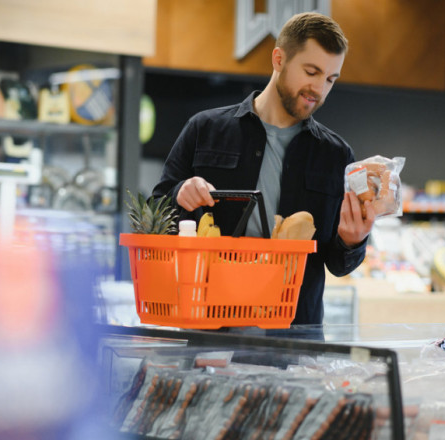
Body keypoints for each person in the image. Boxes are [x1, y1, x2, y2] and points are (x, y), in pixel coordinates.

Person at [151, 12, 376, 333]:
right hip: (210, 331)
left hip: (294, 337)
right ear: (279, 58)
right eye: (311, 72)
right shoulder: (205, 128)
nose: (319, 89)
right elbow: (153, 218)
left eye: (330, 79)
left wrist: (353, 241)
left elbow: (338, 265)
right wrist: (179, 194)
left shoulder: (337, 155)